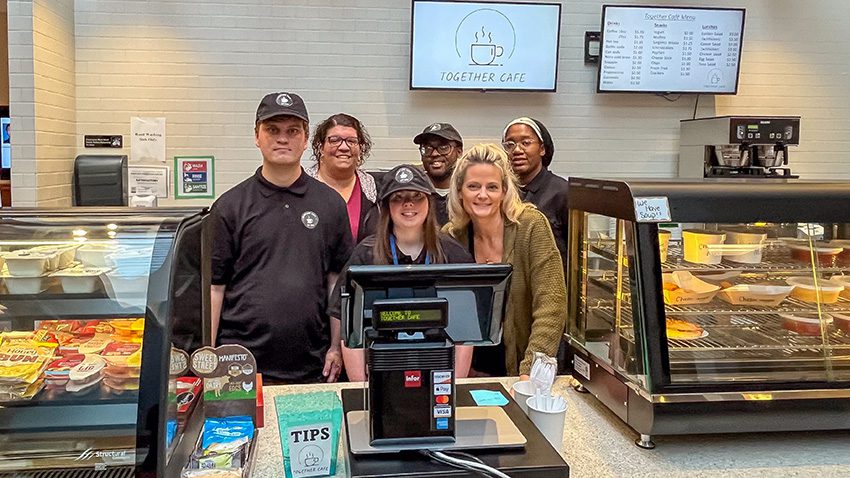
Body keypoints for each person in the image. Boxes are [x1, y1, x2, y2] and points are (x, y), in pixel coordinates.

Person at [209, 92, 352, 384]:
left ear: (306, 137)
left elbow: (337, 283)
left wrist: (336, 347)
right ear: (257, 136)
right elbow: (214, 288)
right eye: (272, 130)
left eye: (292, 131)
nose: (282, 139)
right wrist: (209, 356)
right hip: (239, 366)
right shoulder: (230, 205)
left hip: (313, 365)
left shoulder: (330, 204)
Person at [328, 164, 474, 381]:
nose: (409, 204)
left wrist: (455, 385)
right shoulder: (365, 256)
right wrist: (361, 390)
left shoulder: (453, 254)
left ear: (429, 202)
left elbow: (465, 331)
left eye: (417, 196)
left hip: (438, 369)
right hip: (381, 371)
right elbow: (350, 329)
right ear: (386, 206)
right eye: (398, 198)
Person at [443, 143, 567, 379]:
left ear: (504, 191)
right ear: (459, 191)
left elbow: (551, 304)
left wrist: (530, 372)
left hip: (519, 368)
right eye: (473, 186)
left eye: (492, 187)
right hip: (466, 370)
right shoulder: (451, 236)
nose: (482, 195)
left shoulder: (531, 226)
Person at [502, 117, 569, 271]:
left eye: (526, 143)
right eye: (510, 145)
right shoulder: (501, 192)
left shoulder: (562, 192)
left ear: (542, 149)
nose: (517, 150)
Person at [307, 113, 378, 243]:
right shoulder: (301, 187)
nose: (344, 147)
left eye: (352, 141)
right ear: (320, 147)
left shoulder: (375, 191)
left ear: (361, 148)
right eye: (334, 140)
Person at [413, 122, 464, 226]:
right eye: (427, 148)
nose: (434, 153)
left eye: (444, 147)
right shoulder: (414, 194)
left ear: (459, 152)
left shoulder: (468, 193)